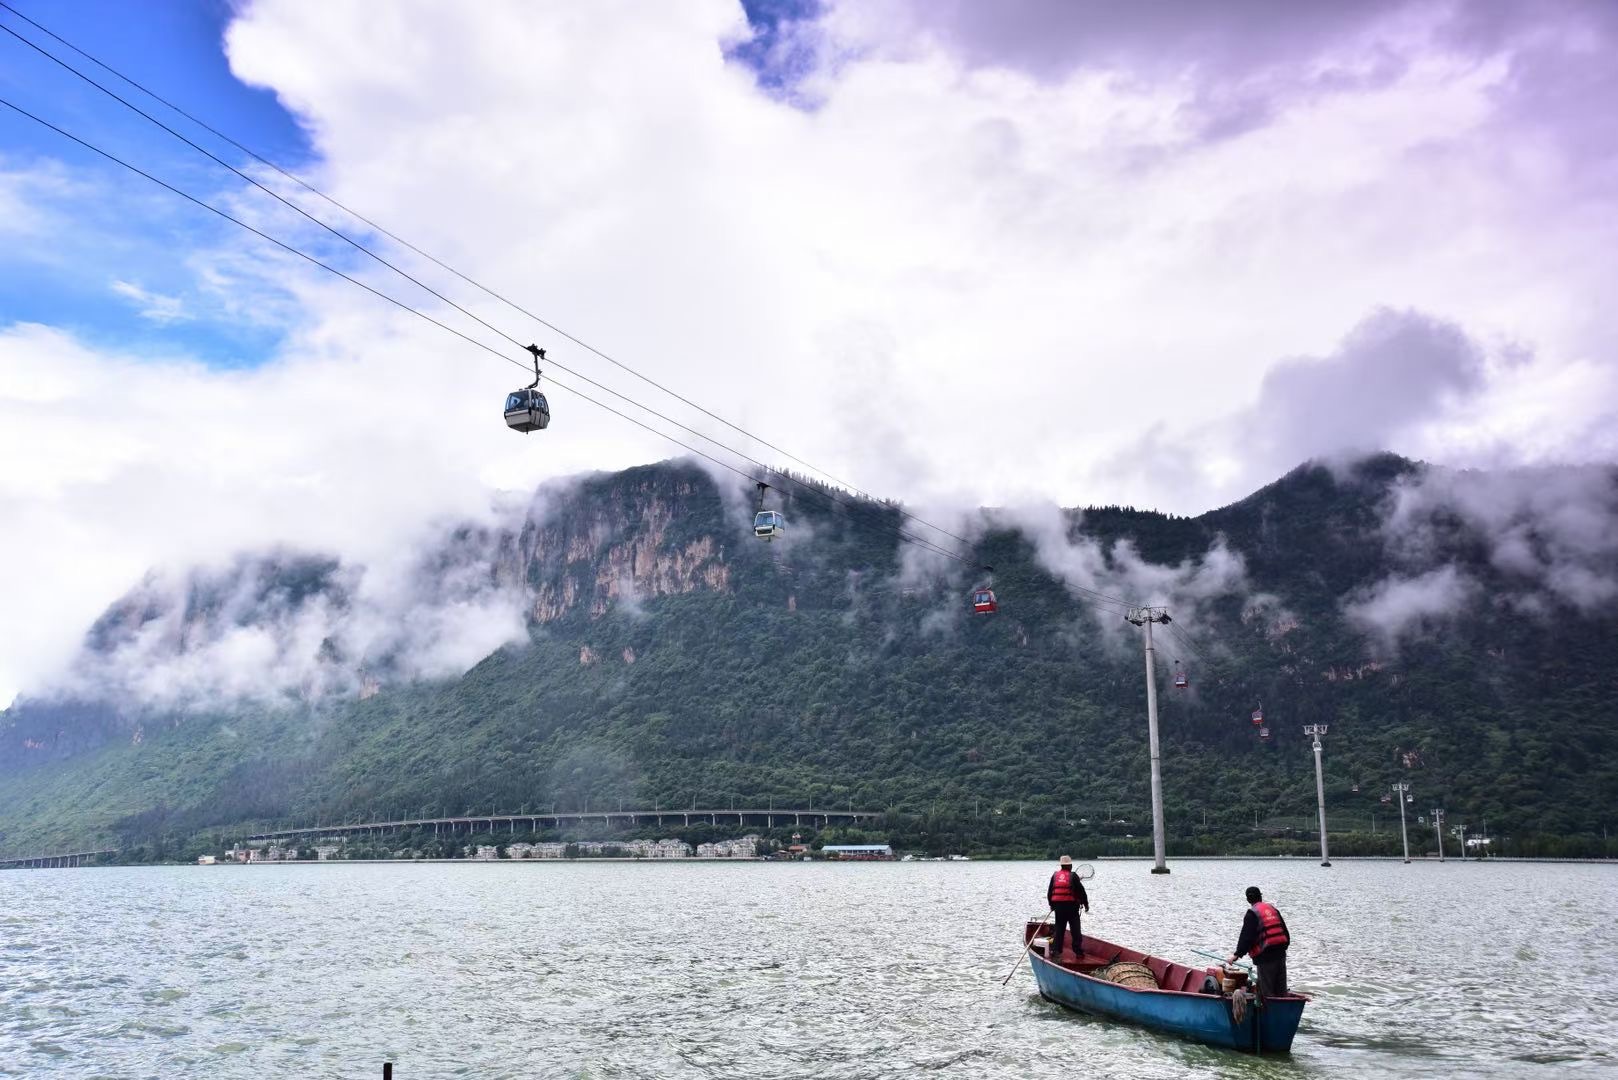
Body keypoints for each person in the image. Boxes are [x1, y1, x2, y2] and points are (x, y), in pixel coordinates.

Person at [1228, 885, 1289, 997]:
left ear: (1248, 900)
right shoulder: (1272, 909)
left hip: (1265, 958)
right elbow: (1285, 933)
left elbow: (1246, 937)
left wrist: (1237, 955)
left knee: (1267, 992)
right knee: (1281, 990)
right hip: (1281, 954)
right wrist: (1281, 949)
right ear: (1260, 897)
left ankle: (1269, 1012)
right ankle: (1283, 1008)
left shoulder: (1252, 914)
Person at [1045, 855, 1089, 959]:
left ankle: (1056, 951)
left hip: (1059, 908)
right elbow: (1081, 892)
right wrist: (1086, 904)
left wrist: (1051, 905)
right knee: (1075, 929)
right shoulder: (1073, 876)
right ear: (1070, 865)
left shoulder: (1055, 876)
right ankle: (1078, 951)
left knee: (1059, 929)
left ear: (1061, 865)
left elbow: (1050, 892)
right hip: (1072, 907)